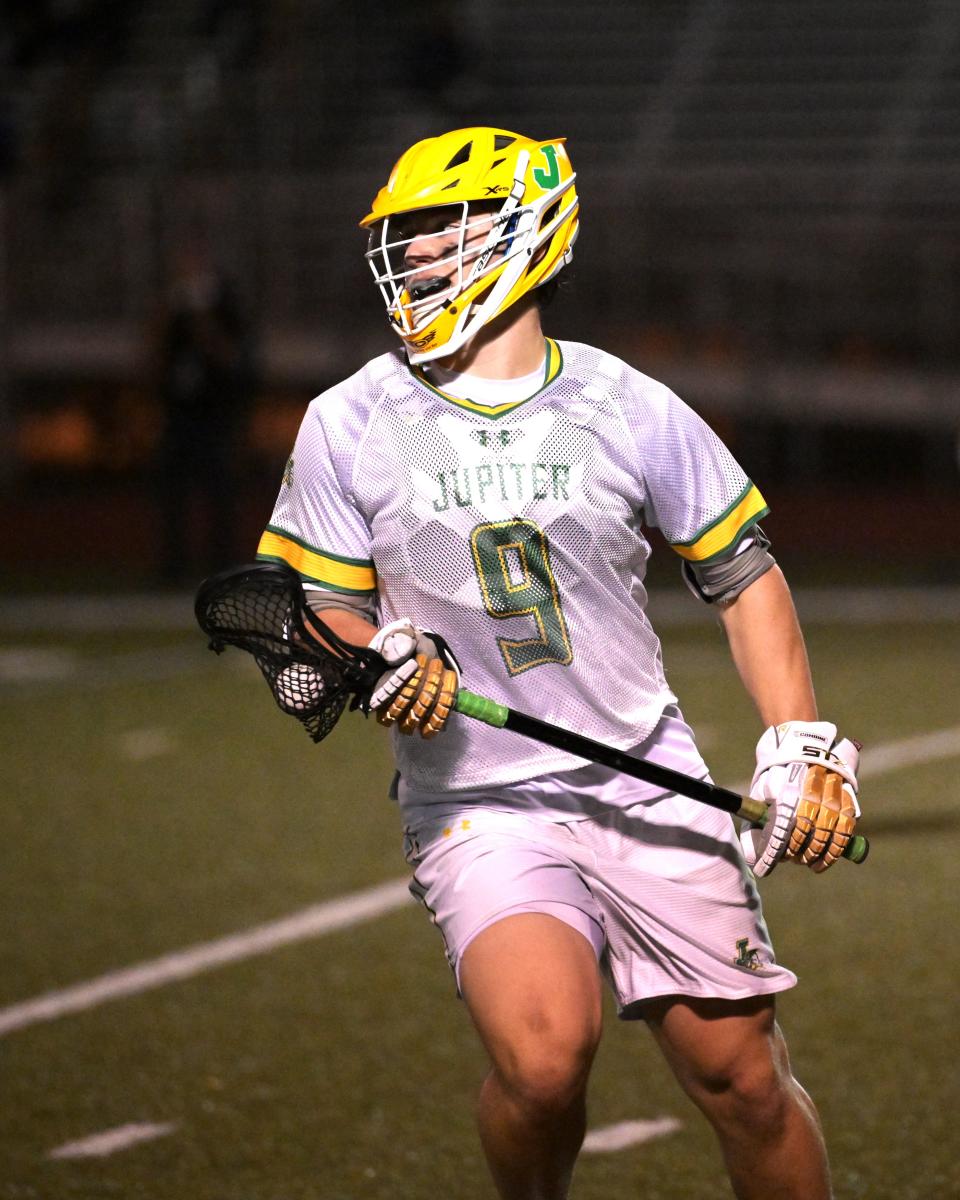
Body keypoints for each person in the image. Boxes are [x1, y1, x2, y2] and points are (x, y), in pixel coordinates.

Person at [255, 127, 861, 1200]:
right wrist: (379, 657)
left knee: (743, 1081)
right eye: (407, 236)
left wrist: (798, 741)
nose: (417, 256)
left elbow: (741, 570)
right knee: (543, 1057)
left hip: (640, 770)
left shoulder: (626, 404)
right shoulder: (347, 422)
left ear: (526, 231)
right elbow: (307, 620)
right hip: (479, 797)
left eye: (442, 230)